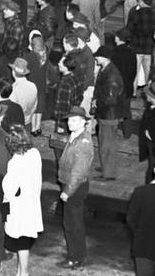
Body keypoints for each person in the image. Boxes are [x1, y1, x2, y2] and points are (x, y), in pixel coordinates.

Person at [2, 124, 44, 276]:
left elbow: (10, 189)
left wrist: (3, 182)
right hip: (32, 202)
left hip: (19, 208)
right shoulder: (35, 153)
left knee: (21, 243)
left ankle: (24, 273)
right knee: (25, 241)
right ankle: (20, 272)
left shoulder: (15, 162)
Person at [58, 106, 94, 268]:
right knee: (72, 223)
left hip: (75, 187)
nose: (69, 123)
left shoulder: (83, 143)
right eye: (69, 120)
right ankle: (76, 254)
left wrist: (67, 192)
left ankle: (76, 257)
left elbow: (78, 172)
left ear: (83, 122)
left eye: (74, 120)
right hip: (72, 184)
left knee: (73, 224)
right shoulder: (75, 136)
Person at [93, 46, 127, 181]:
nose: (96, 58)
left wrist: (97, 102)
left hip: (109, 114)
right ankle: (106, 166)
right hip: (107, 114)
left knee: (108, 145)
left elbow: (110, 98)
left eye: (98, 56)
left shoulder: (111, 74)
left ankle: (109, 173)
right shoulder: (107, 70)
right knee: (105, 142)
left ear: (104, 57)